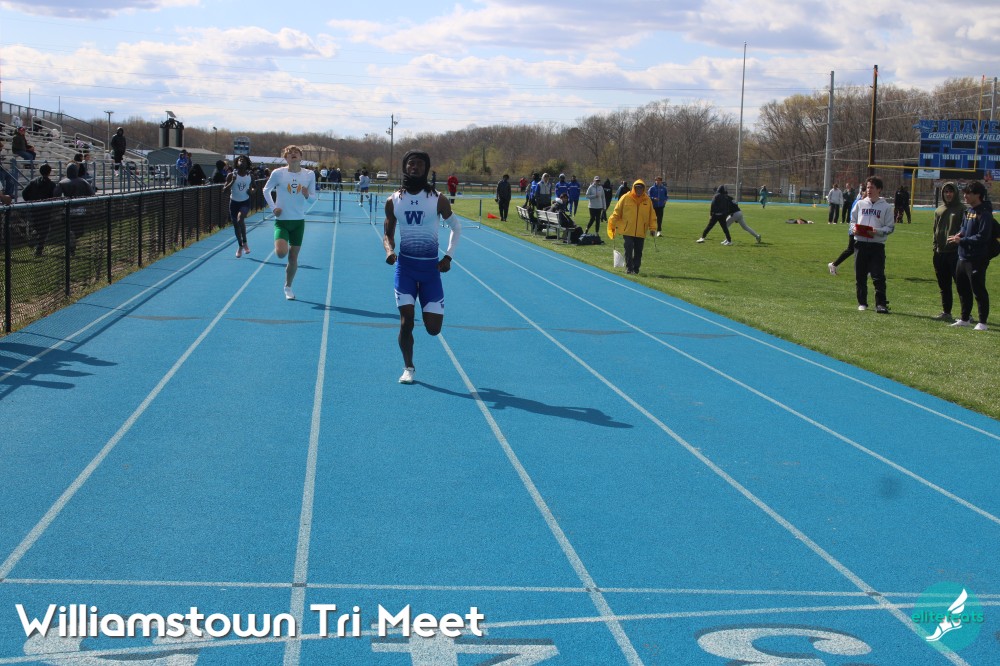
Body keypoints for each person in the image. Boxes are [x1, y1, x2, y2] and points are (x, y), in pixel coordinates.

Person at [383, 150, 461, 384]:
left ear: (426, 168)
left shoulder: (438, 199)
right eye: (410, 164)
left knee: (433, 329)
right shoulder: (393, 200)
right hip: (405, 269)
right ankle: (408, 367)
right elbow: (387, 234)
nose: (414, 167)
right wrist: (389, 250)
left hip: (430, 272)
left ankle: (428, 323)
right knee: (406, 321)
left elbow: (456, 227)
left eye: (419, 164)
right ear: (405, 168)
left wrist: (448, 257)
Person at [261, 145, 317, 300]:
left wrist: (307, 195)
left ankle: (288, 287)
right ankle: (281, 244)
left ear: (301, 157)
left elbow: (313, 199)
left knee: (293, 258)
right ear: (285, 158)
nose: (293, 154)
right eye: (289, 153)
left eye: (296, 153)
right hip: (282, 221)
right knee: (281, 254)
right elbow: (266, 190)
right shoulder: (278, 173)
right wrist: (273, 208)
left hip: (298, 222)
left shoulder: (309, 174)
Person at [947, 181, 992, 330]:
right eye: (964, 193)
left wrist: (962, 240)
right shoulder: (969, 211)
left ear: (978, 195)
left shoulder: (984, 213)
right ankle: (965, 318)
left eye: (968, 193)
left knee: (978, 290)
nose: (965, 196)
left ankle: (982, 322)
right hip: (962, 256)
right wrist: (960, 234)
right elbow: (964, 228)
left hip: (976, 258)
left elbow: (983, 236)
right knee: (962, 289)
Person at [850, 176, 894, 313]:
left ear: (879, 189)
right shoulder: (860, 204)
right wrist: (854, 229)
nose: (869, 190)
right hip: (861, 244)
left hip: (876, 246)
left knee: (878, 275)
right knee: (860, 275)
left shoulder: (886, 207)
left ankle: (881, 304)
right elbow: (852, 221)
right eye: (867, 187)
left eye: (872, 187)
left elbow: (890, 228)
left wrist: (877, 231)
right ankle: (862, 302)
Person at [929, 182, 965, 321]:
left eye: (951, 191)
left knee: (961, 285)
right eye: (946, 192)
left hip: (955, 253)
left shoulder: (962, 209)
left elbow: (965, 229)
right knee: (944, 285)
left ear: (955, 193)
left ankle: (966, 314)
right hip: (940, 252)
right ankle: (946, 312)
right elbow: (935, 230)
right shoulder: (939, 210)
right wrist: (935, 247)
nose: (948, 194)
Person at [607, 179, 656, 275]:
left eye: (641, 188)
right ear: (634, 188)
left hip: (641, 230)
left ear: (643, 189)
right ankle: (629, 268)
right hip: (627, 230)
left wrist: (653, 228)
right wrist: (612, 224)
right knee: (628, 249)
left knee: (638, 251)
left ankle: (636, 268)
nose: (639, 190)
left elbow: (652, 216)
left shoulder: (647, 200)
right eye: (637, 188)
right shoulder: (625, 197)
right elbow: (616, 212)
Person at [53, 162, 96, 255]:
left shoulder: (62, 182)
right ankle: (72, 243)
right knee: (79, 231)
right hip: (80, 210)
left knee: (69, 229)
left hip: (67, 210)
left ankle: (71, 243)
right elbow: (92, 194)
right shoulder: (83, 181)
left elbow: (56, 195)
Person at [21, 163, 58, 256]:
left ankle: (33, 236)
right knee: (44, 231)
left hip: (34, 209)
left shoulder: (33, 182)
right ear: (49, 172)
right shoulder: (52, 184)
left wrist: (29, 200)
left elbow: (24, 193)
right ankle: (39, 250)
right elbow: (54, 197)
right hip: (46, 211)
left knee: (36, 227)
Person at [223, 154, 254, 258]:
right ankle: (240, 245)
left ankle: (245, 242)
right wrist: (232, 181)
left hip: (245, 202)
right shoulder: (231, 175)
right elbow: (224, 190)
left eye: (244, 160)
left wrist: (251, 191)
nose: (242, 162)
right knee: (236, 225)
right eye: (240, 160)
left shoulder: (250, 176)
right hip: (234, 203)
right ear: (237, 162)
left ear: (247, 163)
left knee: (240, 219)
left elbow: (255, 188)